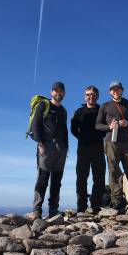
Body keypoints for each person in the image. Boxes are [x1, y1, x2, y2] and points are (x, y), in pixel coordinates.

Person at [95, 80, 128, 211]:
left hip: (126, 141)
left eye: (118, 89)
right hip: (111, 141)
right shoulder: (105, 106)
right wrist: (109, 126)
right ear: (110, 92)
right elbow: (97, 125)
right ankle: (116, 201)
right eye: (113, 89)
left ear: (122, 90)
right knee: (114, 171)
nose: (116, 91)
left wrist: (127, 123)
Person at [29, 81, 68, 219]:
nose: (59, 93)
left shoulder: (63, 110)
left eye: (61, 91)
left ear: (64, 93)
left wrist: (66, 148)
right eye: (56, 90)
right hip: (45, 147)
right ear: (51, 92)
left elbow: (64, 130)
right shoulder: (43, 105)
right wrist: (40, 143)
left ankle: (53, 209)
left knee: (57, 180)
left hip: (60, 149)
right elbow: (35, 125)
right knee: (43, 178)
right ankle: (37, 209)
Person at [71, 86, 106, 213]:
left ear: (97, 96)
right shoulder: (79, 111)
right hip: (83, 148)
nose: (91, 96)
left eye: (93, 94)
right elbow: (73, 129)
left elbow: (107, 127)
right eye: (88, 94)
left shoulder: (102, 110)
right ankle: (81, 207)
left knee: (99, 178)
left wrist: (101, 136)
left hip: (98, 147)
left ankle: (95, 206)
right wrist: (82, 138)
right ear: (85, 96)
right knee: (81, 178)